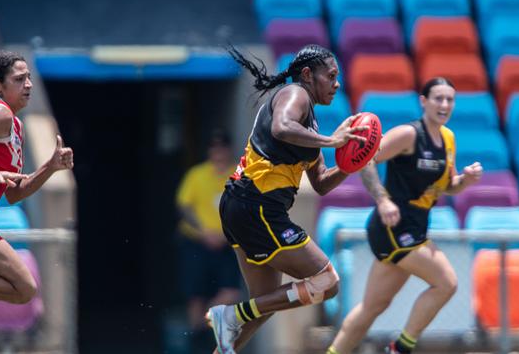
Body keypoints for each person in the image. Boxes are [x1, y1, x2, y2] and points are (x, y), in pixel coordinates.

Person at [205, 44, 370, 354]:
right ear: (307, 75)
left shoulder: (309, 123)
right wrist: (333, 140)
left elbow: (320, 183)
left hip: (243, 205)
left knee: (264, 304)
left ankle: (229, 331)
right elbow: (282, 127)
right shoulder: (296, 95)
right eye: (331, 76)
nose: (337, 84)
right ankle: (232, 314)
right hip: (258, 206)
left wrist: (351, 164)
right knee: (327, 282)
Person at [326, 77, 483, 354]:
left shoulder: (448, 139)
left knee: (373, 307)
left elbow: (446, 186)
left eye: (450, 99)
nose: (444, 105)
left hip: (416, 226)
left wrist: (466, 180)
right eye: (438, 98)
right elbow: (366, 160)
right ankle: (400, 348)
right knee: (446, 283)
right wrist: (383, 200)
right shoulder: (409, 135)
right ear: (424, 102)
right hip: (393, 225)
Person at [0, 50, 74, 304]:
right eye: (19, 79)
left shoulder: (13, 125)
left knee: (25, 290)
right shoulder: (0, 113)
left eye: (29, 78)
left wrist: (50, 167)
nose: (28, 84)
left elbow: (14, 193)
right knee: (24, 288)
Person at [175, 129, 242, 353]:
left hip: (228, 244)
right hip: (197, 242)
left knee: (231, 292)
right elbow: (184, 206)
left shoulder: (238, 174)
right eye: (214, 147)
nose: (218, 152)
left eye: (222, 147)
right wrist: (203, 232)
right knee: (195, 295)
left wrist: (226, 233)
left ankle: (205, 331)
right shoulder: (197, 175)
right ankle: (195, 341)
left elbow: (244, 207)